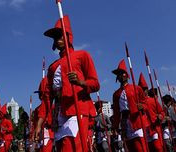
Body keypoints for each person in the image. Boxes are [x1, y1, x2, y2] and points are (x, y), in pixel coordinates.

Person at [34, 15, 100, 152]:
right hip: (59, 114)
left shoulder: (82, 55)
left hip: (77, 109)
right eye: (55, 38)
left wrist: (81, 82)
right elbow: (47, 98)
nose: (57, 40)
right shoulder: (52, 67)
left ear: (68, 36)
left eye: (60, 36)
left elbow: (95, 84)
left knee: (73, 148)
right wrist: (39, 124)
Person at [112, 59, 148, 152]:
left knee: (140, 148)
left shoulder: (136, 88)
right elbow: (116, 112)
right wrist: (115, 127)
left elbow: (145, 102)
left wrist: (142, 106)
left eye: (122, 73)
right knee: (130, 147)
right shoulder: (116, 94)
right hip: (124, 122)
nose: (120, 75)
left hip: (136, 120)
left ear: (126, 75)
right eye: (118, 74)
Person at [138, 73, 165, 152]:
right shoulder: (138, 103)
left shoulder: (153, 100)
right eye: (141, 89)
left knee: (158, 148)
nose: (143, 91)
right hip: (144, 131)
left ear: (147, 90)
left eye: (144, 89)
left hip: (153, 128)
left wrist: (161, 116)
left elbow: (162, 112)